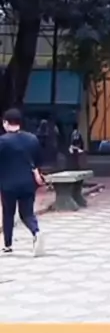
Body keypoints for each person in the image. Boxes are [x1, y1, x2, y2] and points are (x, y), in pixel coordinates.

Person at [0, 108, 44, 254]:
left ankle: (8, 244)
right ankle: (36, 231)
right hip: (28, 183)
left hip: (7, 184)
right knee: (27, 213)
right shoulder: (32, 139)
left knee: (8, 213)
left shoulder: (2, 141)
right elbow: (38, 162)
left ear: (5, 123)